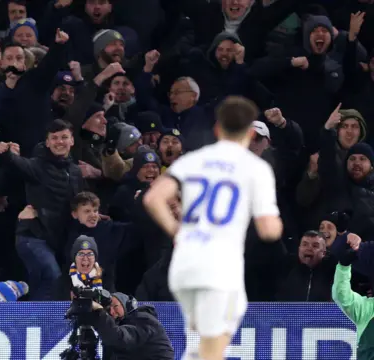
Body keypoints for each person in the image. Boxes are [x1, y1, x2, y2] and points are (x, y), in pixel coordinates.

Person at [142, 96, 283, 360]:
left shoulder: (193, 160)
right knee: (212, 346)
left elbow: (153, 198)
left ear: (217, 129)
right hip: (218, 266)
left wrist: (176, 230)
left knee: (200, 343)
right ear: (250, 133)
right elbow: (268, 230)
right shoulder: (255, 168)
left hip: (184, 265)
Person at [89, 292, 174, 360]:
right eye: (108, 309)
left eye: (115, 306)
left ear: (127, 304)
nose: (111, 312)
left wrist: (99, 311)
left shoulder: (143, 319)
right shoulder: (117, 326)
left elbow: (119, 338)